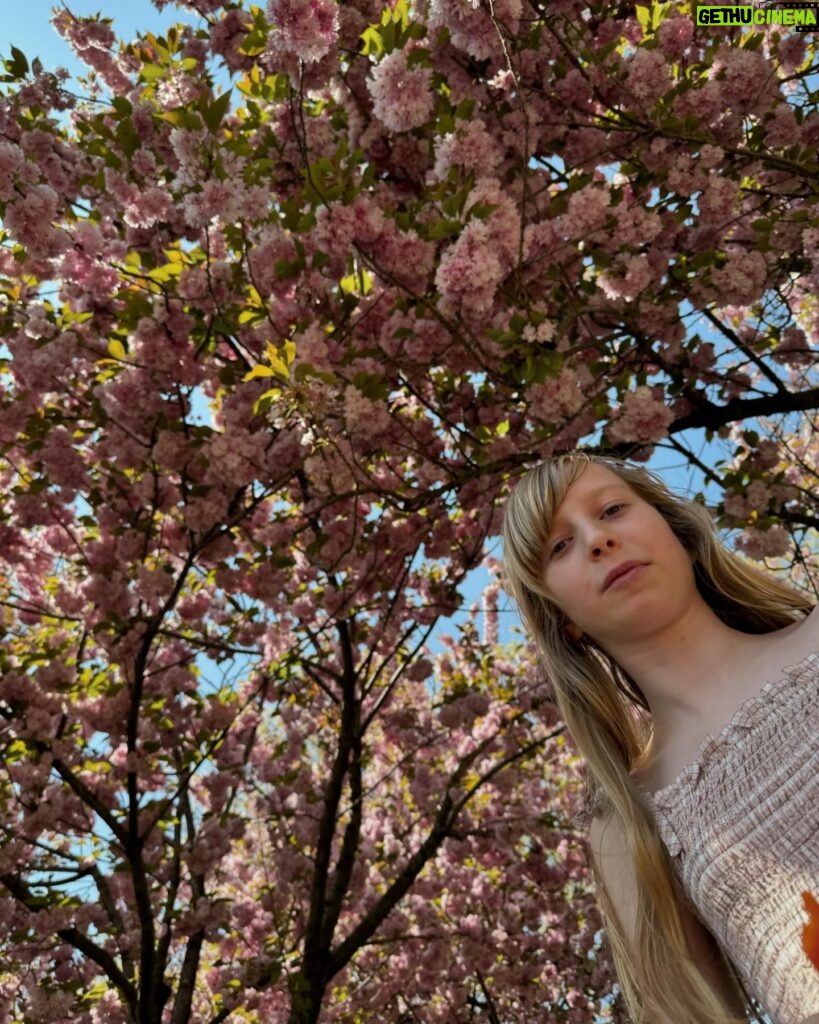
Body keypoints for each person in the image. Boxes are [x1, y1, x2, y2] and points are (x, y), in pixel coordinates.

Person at [501, 452, 819, 1024]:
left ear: (679, 535)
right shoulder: (628, 820)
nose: (597, 538)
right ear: (563, 618)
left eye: (613, 509)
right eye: (559, 547)